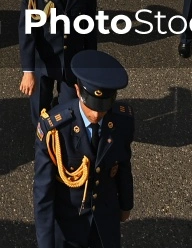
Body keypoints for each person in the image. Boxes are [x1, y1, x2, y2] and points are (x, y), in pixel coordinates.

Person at [33, 49, 133, 248]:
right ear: (78, 91)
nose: (96, 115)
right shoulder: (55, 128)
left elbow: (123, 163)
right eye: (91, 106)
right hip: (68, 224)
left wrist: (126, 204)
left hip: (105, 219)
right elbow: (43, 192)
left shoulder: (123, 120)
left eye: (102, 107)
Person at [19, 0, 98, 122]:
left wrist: (90, 67)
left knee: (69, 113)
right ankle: (42, 148)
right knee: (40, 112)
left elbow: (90, 29)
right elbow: (27, 32)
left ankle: (61, 149)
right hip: (44, 63)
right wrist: (28, 71)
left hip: (72, 62)